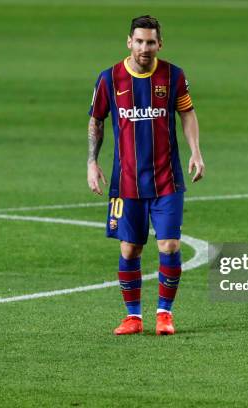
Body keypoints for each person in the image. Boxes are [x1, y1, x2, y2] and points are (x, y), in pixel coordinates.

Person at [87, 15, 204, 335]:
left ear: (159, 44)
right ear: (129, 42)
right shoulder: (109, 78)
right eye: (139, 41)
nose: (144, 47)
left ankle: (164, 314)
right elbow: (96, 121)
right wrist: (91, 162)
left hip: (167, 179)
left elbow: (187, 112)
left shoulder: (173, 75)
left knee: (168, 244)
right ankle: (133, 317)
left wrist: (196, 151)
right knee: (130, 249)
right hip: (125, 183)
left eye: (150, 42)